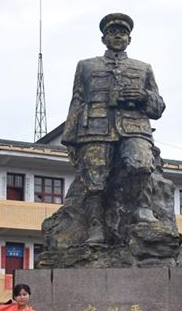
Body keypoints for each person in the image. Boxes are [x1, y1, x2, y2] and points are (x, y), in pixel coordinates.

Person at [61, 13, 167, 243]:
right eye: (113, 32)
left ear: (129, 39)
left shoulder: (143, 68)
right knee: (95, 181)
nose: (118, 36)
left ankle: (142, 207)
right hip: (95, 129)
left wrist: (143, 96)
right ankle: (96, 228)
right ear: (104, 38)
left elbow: (158, 108)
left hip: (134, 128)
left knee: (141, 164)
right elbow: (77, 101)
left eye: (123, 33)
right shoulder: (86, 66)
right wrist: (70, 139)